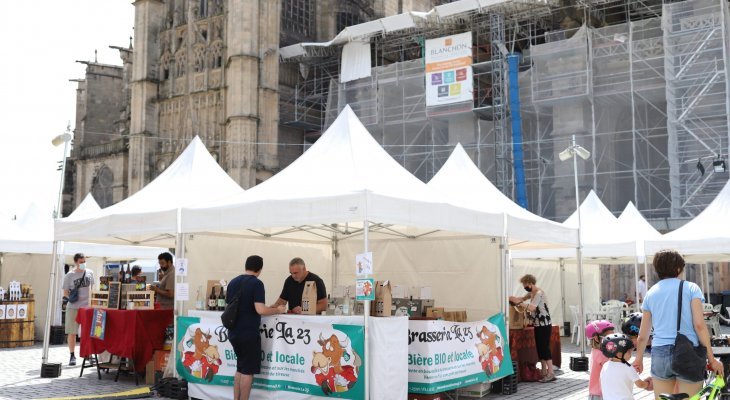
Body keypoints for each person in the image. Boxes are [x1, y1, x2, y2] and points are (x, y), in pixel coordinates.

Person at [632, 250, 723, 396]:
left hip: (660, 353)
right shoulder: (691, 288)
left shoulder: (651, 293)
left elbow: (643, 335)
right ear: (678, 268)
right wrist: (711, 359)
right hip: (688, 352)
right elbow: (699, 325)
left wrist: (639, 359)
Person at [226, 255, 285, 400]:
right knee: (247, 372)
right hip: (248, 333)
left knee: (240, 369)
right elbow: (260, 310)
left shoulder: (233, 282)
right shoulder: (257, 284)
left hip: (233, 332)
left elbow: (228, 307)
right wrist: (278, 310)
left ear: (246, 266)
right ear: (260, 269)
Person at [509, 274, 555, 382]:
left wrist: (519, 302)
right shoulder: (532, 293)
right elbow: (522, 298)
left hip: (544, 324)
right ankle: (544, 371)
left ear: (530, 283)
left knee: (544, 348)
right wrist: (513, 299)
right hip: (538, 324)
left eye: (525, 284)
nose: (524, 286)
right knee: (540, 348)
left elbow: (532, 308)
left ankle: (551, 372)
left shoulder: (538, 293)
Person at [61, 253, 94, 366]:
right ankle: (72, 355)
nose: (83, 264)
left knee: (88, 332)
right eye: (81, 262)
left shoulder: (90, 273)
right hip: (73, 306)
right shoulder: (69, 275)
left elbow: (92, 289)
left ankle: (88, 354)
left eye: (84, 261)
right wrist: (67, 300)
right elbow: (65, 293)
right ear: (75, 262)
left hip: (87, 307)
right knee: (72, 332)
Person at [600, 333, 652, 399]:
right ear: (619, 354)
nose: (631, 353)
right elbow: (640, 384)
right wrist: (648, 383)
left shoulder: (605, 365)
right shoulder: (628, 368)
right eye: (628, 351)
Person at [585, 320, 615, 400]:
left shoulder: (595, 351)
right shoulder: (601, 354)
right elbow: (613, 368)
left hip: (597, 393)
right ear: (596, 338)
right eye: (609, 338)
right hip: (601, 394)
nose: (613, 341)